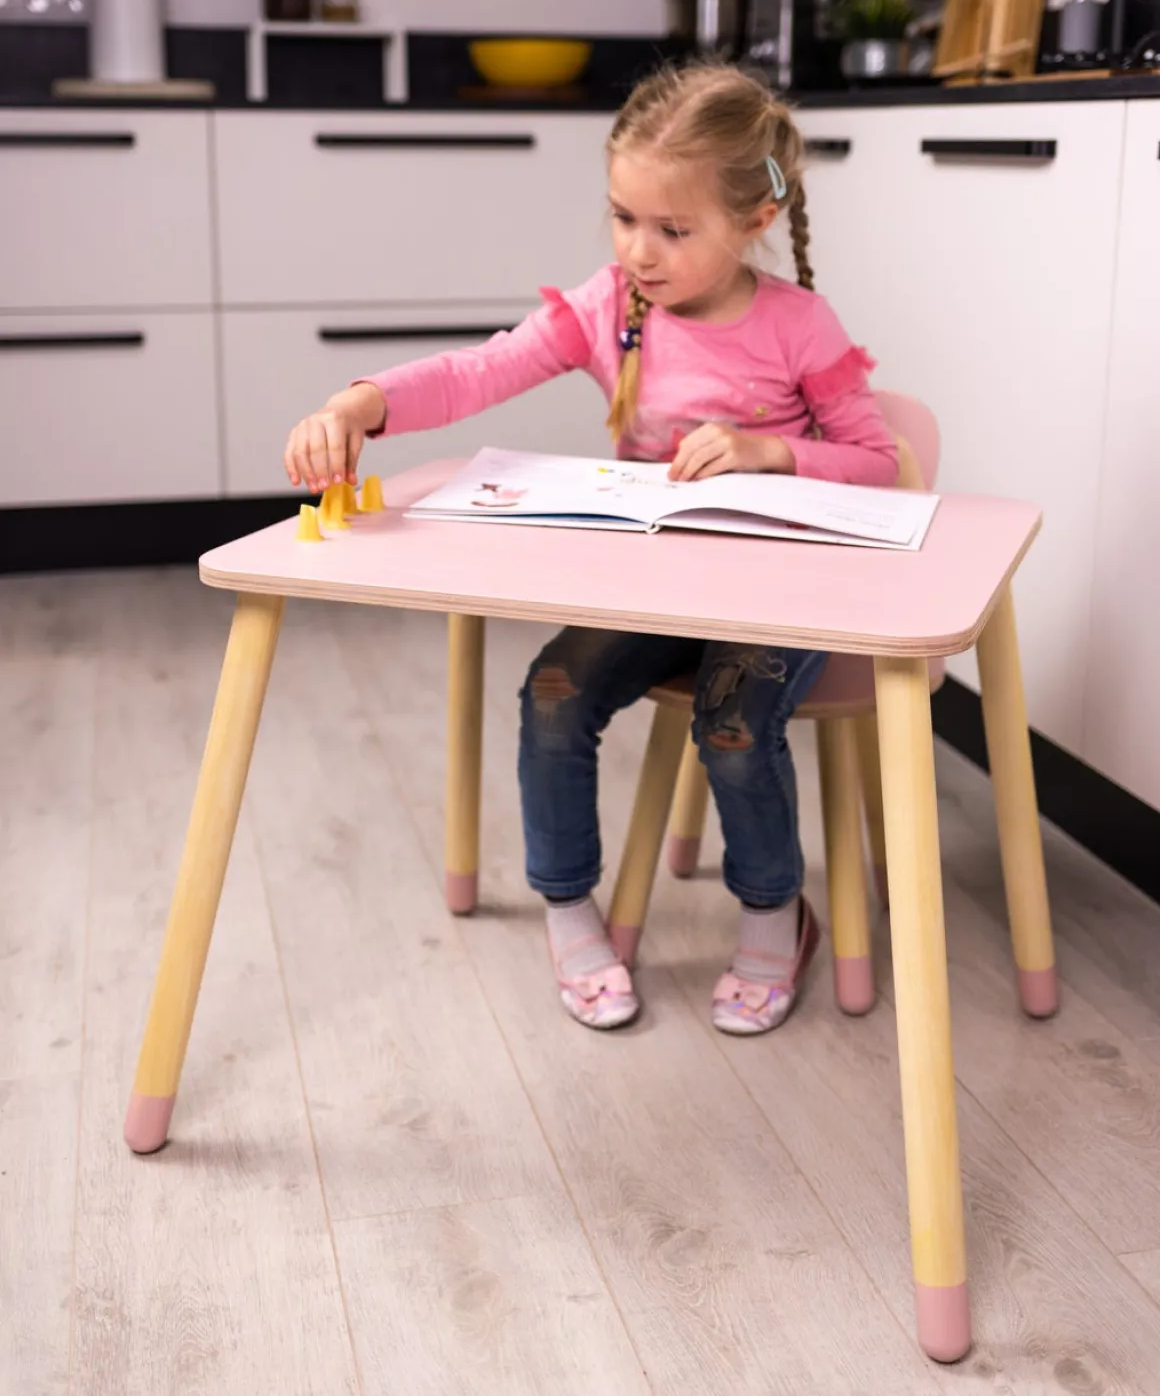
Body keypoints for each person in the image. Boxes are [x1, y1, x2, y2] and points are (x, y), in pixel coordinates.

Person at [283, 63, 898, 1036]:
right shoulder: (611, 305)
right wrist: (358, 403)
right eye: (622, 217)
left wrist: (769, 451)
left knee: (733, 727)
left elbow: (876, 462)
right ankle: (569, 910)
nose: (637, 250)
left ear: (754, 219)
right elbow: (481, 368)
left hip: (777, 592)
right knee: (552, 696)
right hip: (655, 585)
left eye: (672, 229)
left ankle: (776, 916)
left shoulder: (797, 325)